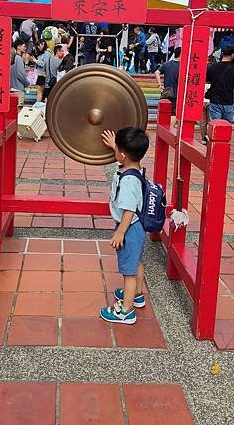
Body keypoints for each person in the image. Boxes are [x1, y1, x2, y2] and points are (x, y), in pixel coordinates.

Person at [99, 127, 150, 324]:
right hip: (137, 227)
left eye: (117, 150)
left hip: (129, 228)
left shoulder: (128, 181)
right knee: (136, 262)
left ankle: (126, 311)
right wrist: (116, 147)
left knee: (128, 271)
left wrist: (120, 232)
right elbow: (125, 157)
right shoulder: (135, 169)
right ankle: (136, 295)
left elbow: (128, 210)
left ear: (122, 155)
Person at [206, 45, 234, 123]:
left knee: (215, 124)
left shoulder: (212, 67)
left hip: (215, 100)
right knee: (227, 126)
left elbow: (207, 80)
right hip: (228, 100)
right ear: (233, 54)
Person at [155, 47, 181, 126]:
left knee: (165, 111)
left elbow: (157, 72)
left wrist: (160, 84)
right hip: (177, 92)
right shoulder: (183, 66)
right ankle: (170, 130)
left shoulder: (167, 64)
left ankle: (163, 128)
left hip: (166, 91)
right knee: (173, 113)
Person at [10, 38, 30, 110]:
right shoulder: (18, 58)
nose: (25, 48)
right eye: (24, 46)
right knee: (19, 110)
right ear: (18, 47)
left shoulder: (12, 58)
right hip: (18, 88)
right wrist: (27, 83)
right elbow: (21, 74)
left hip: (11, 87)